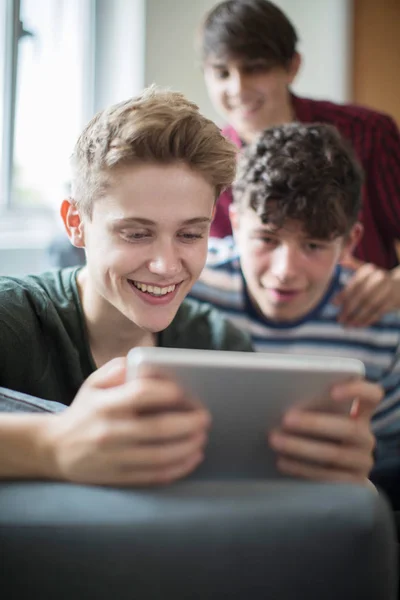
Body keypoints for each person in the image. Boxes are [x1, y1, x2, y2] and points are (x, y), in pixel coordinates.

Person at [0, 86, 253, 487]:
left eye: (190, 235)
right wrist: (53, 445)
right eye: (136, 234)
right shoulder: (11, 319)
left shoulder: (222, 349)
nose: (166, 265)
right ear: (75, 223)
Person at [189, 123, 399, 501]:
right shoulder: (189, 286)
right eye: (267, 239)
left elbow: (390, 464)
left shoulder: (381, 324)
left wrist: (366, 463)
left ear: (349, 241)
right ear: (236, 223)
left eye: (315, 245)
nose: (285, 270)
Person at [197, 0, 400, 326]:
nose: (238, 89)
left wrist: (397, 284)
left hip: (366, 330)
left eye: (256, 68)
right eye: (222, 73)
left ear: (291, 66)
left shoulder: (369, 134)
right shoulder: (206, 164)